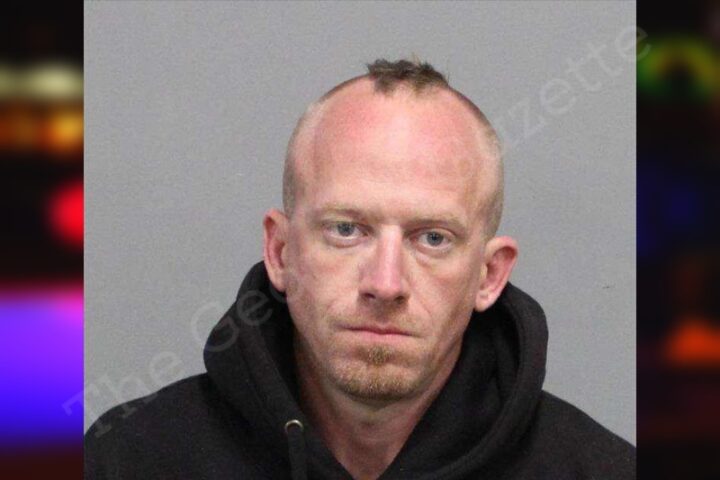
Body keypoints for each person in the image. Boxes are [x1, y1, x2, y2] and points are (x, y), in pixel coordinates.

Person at [84, 59, 635, 479]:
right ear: (280, 251)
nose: (385, 284)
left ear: (489, 276)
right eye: (347, 230)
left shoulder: (601, 471)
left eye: (433, 238)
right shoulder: (130, 460)